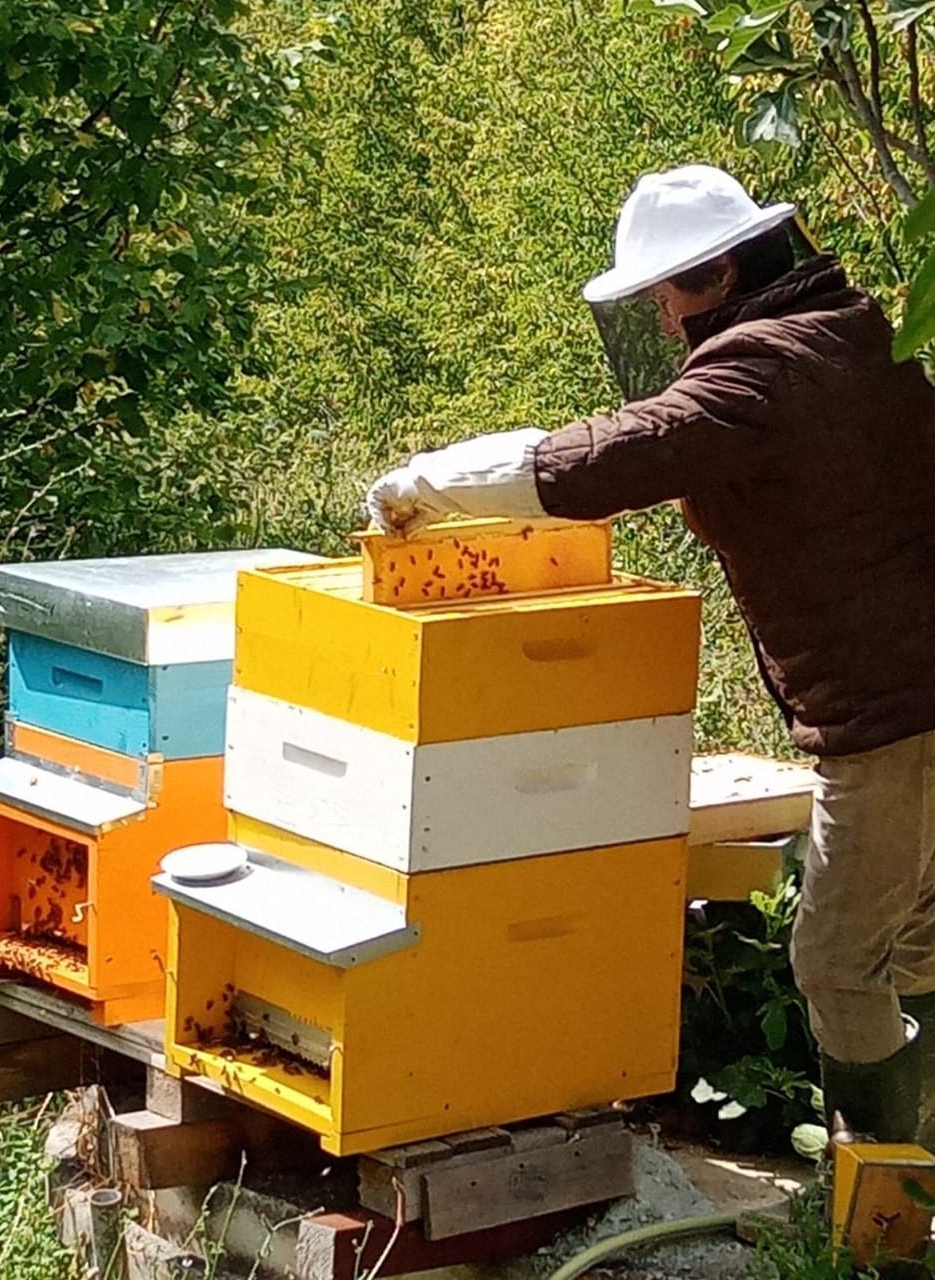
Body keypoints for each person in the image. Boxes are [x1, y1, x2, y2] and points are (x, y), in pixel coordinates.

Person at [366, 163, 935, 1145]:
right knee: (920, 931)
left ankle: (882, 1193)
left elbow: (605, 460)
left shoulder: (757, 375)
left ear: (720, 274)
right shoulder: (851, 328)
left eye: (667, 293)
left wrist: (429, 482)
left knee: (838, 958)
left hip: (890, 712)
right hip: (912, 683)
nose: (664, 320)